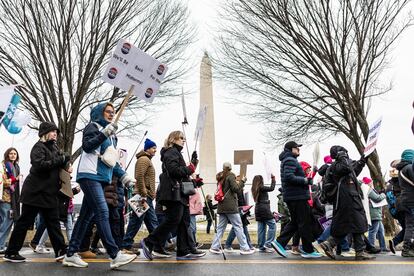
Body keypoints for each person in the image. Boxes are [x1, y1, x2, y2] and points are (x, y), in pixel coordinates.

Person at [62, 103, 137, 269]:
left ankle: (71, 254)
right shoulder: (93, 126)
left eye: (113, 112)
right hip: (89, 175)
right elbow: (88, 146)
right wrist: (104, 133)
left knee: (85, 217)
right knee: (102, 211)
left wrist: (124, 177)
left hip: (101, 178)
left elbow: (111, 160)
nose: (111, 114)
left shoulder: (111, 135)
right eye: (108, 112)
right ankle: (114, 254)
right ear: (99, 113)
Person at [3, 122, 69, 262]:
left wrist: (65, 162)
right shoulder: (38, 147)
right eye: (52, 131)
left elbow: (57, 164)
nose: (55, 134)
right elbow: (40, 165)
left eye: (56, 132)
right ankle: (11, 252)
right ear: (44, 133)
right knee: (24, 222)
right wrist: (60, 159)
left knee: (53, 222)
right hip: (34, 192)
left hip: (49, 193)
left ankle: (61, 251)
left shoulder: (54, 147)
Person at [140, 131, 205, 260]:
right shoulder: (171, 152)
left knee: (184, 222)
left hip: (180, 193)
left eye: (184, 138)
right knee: (174, 219)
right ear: (172, 139)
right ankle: (149, 241)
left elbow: (182, 177)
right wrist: (191, 168)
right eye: (181, 138)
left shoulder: (176, 153)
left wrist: (194, 181)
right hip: (173, 193)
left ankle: (183, 251)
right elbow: (174, 171)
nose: (183, 140)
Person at [319, 145, 375, 260]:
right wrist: (342, 156)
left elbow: (354, 171)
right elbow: (346, 167)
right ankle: (334, 245)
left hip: (350, 198)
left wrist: (363, 159)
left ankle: (332, 244)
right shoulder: (337, 166)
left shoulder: (343, 166)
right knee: (355, 223)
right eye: (344, 152)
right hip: (346, 199)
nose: (346, 154)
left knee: (353, 224)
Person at [271, 141, 322, 258]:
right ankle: (306, 250)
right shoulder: (290, 160)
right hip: (297, 196)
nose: (299, 150)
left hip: (294, 196)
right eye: (297, 148)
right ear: (291, 149)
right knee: (304, 223)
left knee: (298, 222)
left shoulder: (288, 160)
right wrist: (305, 180)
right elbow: (289, 177)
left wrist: (307, 178)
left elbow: (291, 176)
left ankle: (282, 243)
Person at [121, 138, 159, 254]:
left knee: (153, 222)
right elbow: (139, 176)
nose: (155, 150)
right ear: (147, 148)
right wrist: (143, 194)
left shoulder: (147, 159)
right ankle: (126, 246)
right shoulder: (143, 159)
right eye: (153, 148)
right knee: (136, 222)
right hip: (141, 196)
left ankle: (159, 246)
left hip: (147, 197)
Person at [209, 163, 255, 255]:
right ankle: (245, 248)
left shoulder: (220, 177)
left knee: (220, 228)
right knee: (238, 226)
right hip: (230, 206)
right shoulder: (230, 176)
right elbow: (236, 189)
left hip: (221, 206)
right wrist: (242, 181)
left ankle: (214, 247)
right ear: (230, 168)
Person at [224, 175, 254, 252]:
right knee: (237, 227)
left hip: (239, 210)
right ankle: (246, 246)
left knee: (241, 227)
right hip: (240, 211)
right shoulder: (238, 188)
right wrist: (246, 210)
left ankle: (248, 245)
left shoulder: (234, 188)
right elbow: (241, 201)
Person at [0, 148, 21, 254]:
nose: (13, 155)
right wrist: (15, 179)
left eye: (15, 154)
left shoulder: (16, 166)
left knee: (4, 221)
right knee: (7, 221)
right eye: (11, 153)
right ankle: (0, 245)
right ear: (7, 155)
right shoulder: (3, 166)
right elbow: (3, 182)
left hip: (12, 198)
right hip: (5, 198)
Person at [396, 149, 414, 257]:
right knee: (411, 226)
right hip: (411, 200)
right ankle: (407, 249)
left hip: (406, 200)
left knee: (409, 225)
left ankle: (407, 248)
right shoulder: (408, 168)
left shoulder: (402, 169)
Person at [252, 174, 276, 253]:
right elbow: (271, 188)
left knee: (261, 229)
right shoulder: (261, 187)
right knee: (272, 225)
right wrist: (273, 179)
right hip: (264, 208)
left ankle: (261, 246)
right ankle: (268, 244)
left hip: (258, 208)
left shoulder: (254, 188)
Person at [363, 177, 388, 252]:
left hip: (375, 213)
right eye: (371, 182)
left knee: (381, 231)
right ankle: (371, 247)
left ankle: (383, 247)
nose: (372, 183)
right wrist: (383, 194)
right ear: (369, 183)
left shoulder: (368, 189)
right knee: (373, 231)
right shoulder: (368, 189)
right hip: (373, 213)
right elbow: (377, 198)